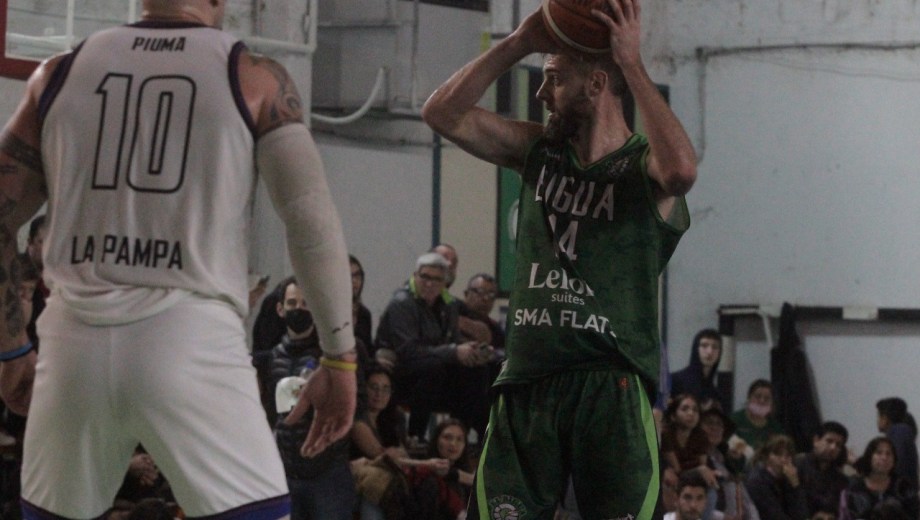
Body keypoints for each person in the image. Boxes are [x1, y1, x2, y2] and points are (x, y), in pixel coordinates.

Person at [0, 1, 357, 517]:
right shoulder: (254, 77)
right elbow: (311, 224)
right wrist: (340, 357)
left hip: (73, 345)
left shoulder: (57, 74)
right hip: (189, 340)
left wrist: (10, 349)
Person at [421, 0, 696, 516]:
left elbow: (682, 171)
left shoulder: (642, 168)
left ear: (596, 84)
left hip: (610, 382)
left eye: (553, 79)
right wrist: (520, 41)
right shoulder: (538, 152)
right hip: (529, 378)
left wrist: (632, 63)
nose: (541, 94)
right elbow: (441, 114)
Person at [375, 252, 493, 439]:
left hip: (436, 369)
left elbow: (453, 341)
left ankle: (459, 436)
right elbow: (408, 351)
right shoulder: (402, 303)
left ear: (445, 282)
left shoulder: (448, 304)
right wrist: (454, 351)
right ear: (415, 276)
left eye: (436, 279)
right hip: (401, 371)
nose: (429, 284)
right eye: (425, 277)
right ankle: (416, 436)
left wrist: (471, 351)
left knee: (478, 371)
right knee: (433, 369)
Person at [269, 277, 356, 520]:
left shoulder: (334, 359)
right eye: (292, 303)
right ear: (280, 309)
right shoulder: (274, 356)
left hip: (327, 471)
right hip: (287, 471)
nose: (299, 309)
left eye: (306, 303)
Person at [843, 436, 919, 520]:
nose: (884, 458)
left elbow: (914, 514)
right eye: (879, 453)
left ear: (894, 460)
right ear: (869, 457)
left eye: (888, 454)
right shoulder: (854, 486)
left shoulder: (903, 486)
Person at [744, 434, 809, 520]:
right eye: (778, 454)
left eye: (787, 456)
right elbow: (774, 515)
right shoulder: (757, 481)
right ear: (767, 456)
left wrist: (795, 485)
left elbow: (802, 514)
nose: (783, 460)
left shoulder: (789, 477)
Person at [793, 421, 850, 518]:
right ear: (816, 440)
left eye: (838, 445)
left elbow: (835, 508)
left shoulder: (840, 479)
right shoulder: (797, 466)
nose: (833, 447)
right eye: (829, 441)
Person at [661, 394, 717, 487]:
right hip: (671, 481)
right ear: (673, 416)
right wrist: (699, 471)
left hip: (695, 481)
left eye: (695, 410)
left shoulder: (701, 436)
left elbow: (703, 466)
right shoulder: (666, 435)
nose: (691, 413)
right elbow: (677, 470)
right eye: (684, 409)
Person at [670, 328, 731, 413]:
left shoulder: (716, 394)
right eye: (704, 346)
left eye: (715, 347)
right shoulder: (674, 381)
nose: (709, 352)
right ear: (696, 349)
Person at [730, 379, 784, 462]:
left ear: (772, 403)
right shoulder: (734, 420)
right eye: (758, 396)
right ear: (749, 398)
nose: (762, 401)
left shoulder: (776, 427)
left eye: (767, 398)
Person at [876, 397, 919, 490]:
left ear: (885, 418)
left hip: (900, 493)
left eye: (878, 416)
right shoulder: (899, 432)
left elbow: (895, 464)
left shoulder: (899, 432)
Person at [351, 254, 374, 351]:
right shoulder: (328, 313)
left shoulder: (364, 314)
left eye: (357, 275)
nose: (354, 281)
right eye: (348, 276)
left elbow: (368, 349)